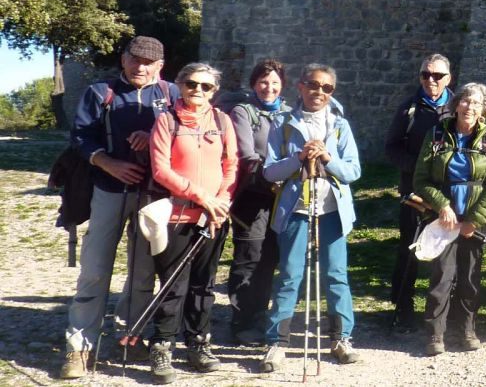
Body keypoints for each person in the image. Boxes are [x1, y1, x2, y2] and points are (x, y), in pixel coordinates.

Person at [61, 36, 179, 380]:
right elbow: (81, 137)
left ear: (160, 66)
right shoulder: (100, 93)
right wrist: (106, 162)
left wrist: (154, 132)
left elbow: (186, 128)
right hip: (109, 189)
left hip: (153, 194)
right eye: (135, 59)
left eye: (149, 62)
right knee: (95, 269)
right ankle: (79, 346)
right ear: (123, 58)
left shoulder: (172, 94)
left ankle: (131, 336)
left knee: (142, 273)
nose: (140, 67)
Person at [260, 64, 362, 372]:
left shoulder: (340, 125)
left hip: (332, 210)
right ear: (301, 87)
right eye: (314, 85)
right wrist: (299, 158)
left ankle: (342, 338)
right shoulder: (283, 123)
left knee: (336, 275)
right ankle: (276, 342)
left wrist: (328, 159)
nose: (320, 92)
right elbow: (269, 170)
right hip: (295, 209)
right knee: (290, 274)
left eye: (327, 88)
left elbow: (353, 171)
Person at [145, 63, 238, 384]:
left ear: (214, 90)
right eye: (191, 84)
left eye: (206, 86)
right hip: (177, 214)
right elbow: (161, 170)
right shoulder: (166, 121)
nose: (197, 90)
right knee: (173, 285)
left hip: (214, 215)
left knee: (204, 284)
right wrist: (203, 197)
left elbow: (232, 166)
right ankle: (162, 346)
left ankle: (198, 343)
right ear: (180, 85)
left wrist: (221, 202)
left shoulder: (223, 121)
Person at [413, 83, 486, 355]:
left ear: (483, 111)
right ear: (457, 105)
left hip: (475, 218)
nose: (469, 107)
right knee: (442, 274)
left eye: (476, 103)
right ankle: (435, 334)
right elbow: (421, 178)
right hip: (444, 218)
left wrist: (474, 220)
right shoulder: (437, 134)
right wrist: (441, 205)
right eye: (466, 101)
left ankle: (467, 329)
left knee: (470, 275)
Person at [384, 54, 455, 333]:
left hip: (449, 194)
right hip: (414, 194)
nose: (431, 80)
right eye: (426, 74)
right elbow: (391, 147)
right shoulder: (409, 109)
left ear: (449, 78)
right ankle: (403, 307)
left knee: (447, 253)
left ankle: (441, 312)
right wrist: (418, 169)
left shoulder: (458, 108)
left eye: (437, 76)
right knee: (410, 250)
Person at [226, 59, 292, 346]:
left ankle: (259, 316)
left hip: (282, 197)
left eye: (275, 83)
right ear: (254, 83)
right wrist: (272, 176)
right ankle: (241, 322)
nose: (269, 88)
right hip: (252, 196)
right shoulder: (244, 112)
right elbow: (246, 154)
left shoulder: (290, 113)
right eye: (264, 82)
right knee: (248, 257)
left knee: (270, 258)